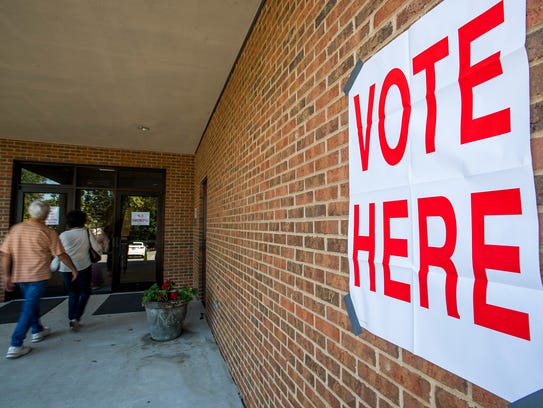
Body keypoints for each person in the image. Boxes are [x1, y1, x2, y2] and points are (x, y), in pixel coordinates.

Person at [0, 200, 78, 359]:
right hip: (38, 276)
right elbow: (60, 254)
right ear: (47, 214)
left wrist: (5, 275)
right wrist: (74, 269)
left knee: (31, 303)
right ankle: (16, 344)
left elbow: (5, 254)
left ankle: (37, 330)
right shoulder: (47, 232)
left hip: (20, 275)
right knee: (29, 306)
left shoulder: (16, 229)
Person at [58, 210, 102, 330]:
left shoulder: (63, 235)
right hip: (83, 267)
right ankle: (76, 318)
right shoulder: (86, 233)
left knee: (72, 294)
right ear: (83, 220)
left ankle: (72, 317)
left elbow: (59, 253)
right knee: (85, 292)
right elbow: (97, 248)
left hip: (65, 269)